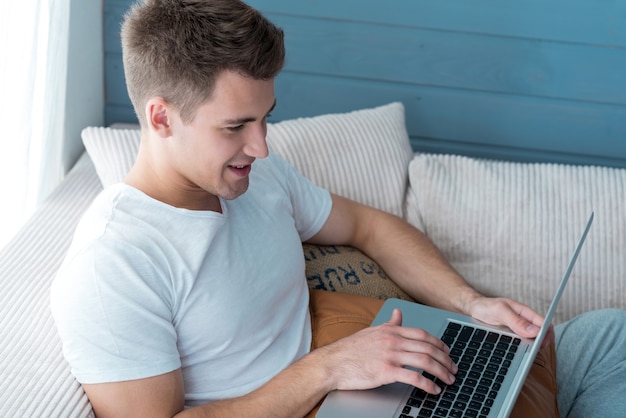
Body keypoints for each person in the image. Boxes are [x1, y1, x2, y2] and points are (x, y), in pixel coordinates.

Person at [51, 1, 626, 417]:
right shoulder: (113, 265)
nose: (262, 146)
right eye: (235, 127)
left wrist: (470, 302)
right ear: (160, 117)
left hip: (369, 388)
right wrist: (329, 369)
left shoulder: (258, 177)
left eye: (265, 117)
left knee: (610, 333)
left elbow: (370, 226)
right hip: (318, 393)